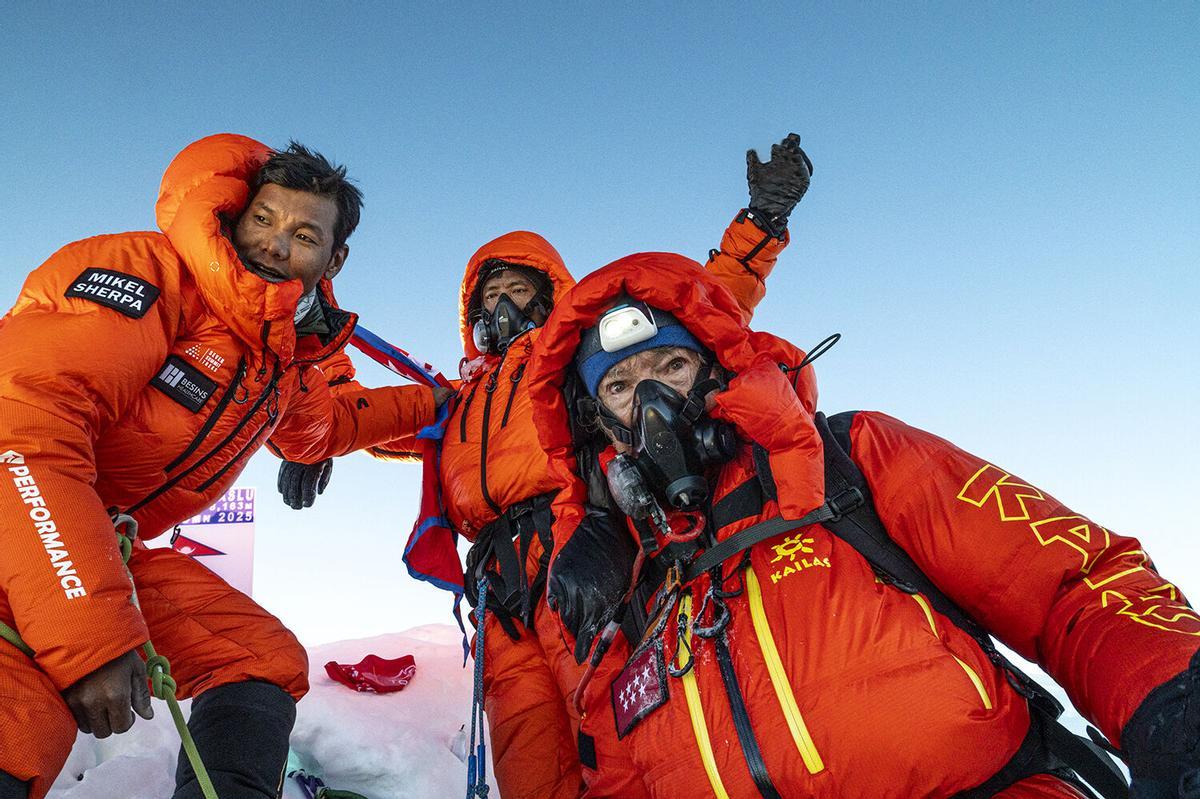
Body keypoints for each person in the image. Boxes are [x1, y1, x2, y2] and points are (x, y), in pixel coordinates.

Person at [525, 253, 1200, 798]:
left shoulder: (854, 459)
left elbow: (1067, 580)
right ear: (600, 425)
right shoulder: (627, 580)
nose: (653, 405)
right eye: (621, 387)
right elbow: (620, 773)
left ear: (718, 368)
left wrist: (1170, 696)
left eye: (672, 367)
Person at [276, 135, 814, 798]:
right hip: (499, 600)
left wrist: (760, 226)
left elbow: (699, 304)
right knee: (529, 763)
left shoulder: (575, 369)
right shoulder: (448, 401)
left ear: (547, 298)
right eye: (491, 294)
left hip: (586, 558)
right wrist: (307, 398)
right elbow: (339, 414)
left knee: (626, 749)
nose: (502, 305)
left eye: (517, 289)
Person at [0, 134, 447, 799]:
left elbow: (326, 426)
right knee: (21, 719)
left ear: (334, 258)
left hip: (99, 539)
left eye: (302, 233)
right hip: (26, 509)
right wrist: (90, 635)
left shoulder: (281, 359)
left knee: (256, 657)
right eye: (262, 218)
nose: (273, 241)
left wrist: (441, 402)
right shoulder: (149, 274)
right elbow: (25, 425)